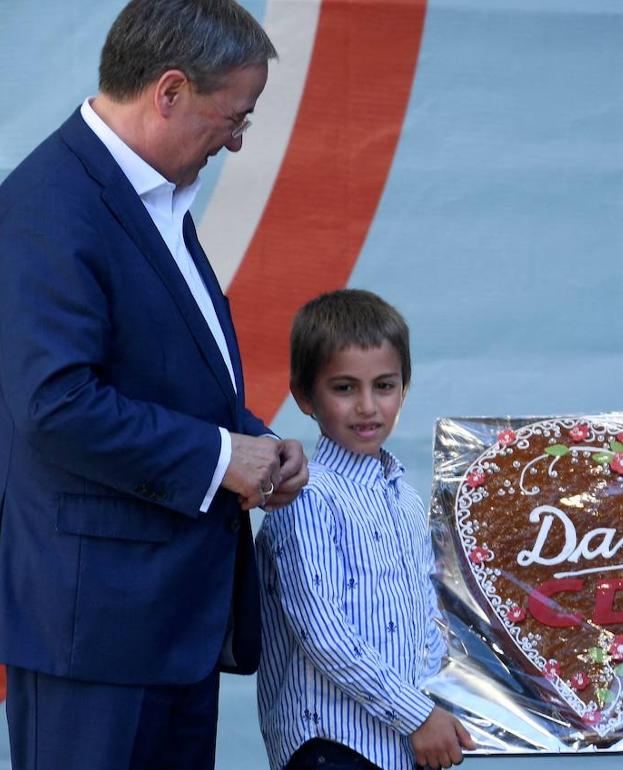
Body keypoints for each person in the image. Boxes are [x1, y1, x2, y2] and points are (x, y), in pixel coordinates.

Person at [0, 1, 308, 767]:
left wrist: (256, 443)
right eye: (232, 115)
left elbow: (163, 374)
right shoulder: (49, 207)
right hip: (95, 632)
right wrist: (218, 460)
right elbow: (55, 404)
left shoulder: (148, 195)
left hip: (161, 619)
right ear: (169, 91)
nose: (238, 138)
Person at [256, 289, 476, 770]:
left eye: (384, 385)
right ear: (304, 396)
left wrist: (446, 706)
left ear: (404, 388)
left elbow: (427, 618)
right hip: (332, 746)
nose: (367, 407)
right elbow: (323, 632)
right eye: (344, 388)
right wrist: (419, 715)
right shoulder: (305, 496)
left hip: (408, 744)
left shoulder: (405, 497)